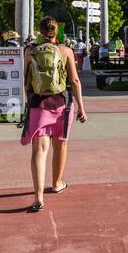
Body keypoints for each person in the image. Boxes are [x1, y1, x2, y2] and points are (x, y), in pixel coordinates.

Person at [22, 17, 86, 212]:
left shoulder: (30, 51)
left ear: (41, 32)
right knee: (61, 144)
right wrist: (82, 107)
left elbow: (26, 80)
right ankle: (57, 183)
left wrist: (28, 100)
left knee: (39, 151)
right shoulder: (66, 51)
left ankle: (38, 196)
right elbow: (74, 80)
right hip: (62, 105)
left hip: (38, 104)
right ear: (56, 31)